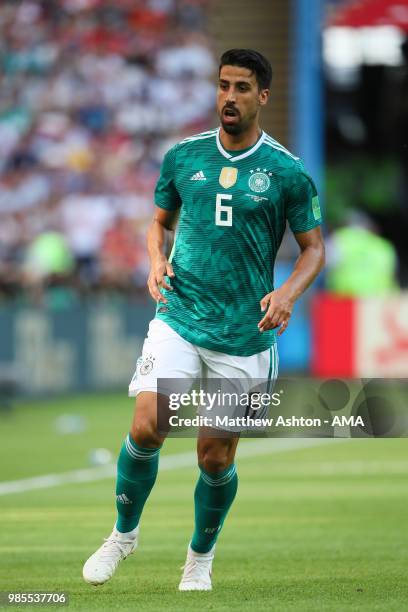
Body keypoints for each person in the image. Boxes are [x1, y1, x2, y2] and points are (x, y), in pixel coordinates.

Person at [82, 48, 325, 591]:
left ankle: (199, 559)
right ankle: (122, 536)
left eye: (241, 88)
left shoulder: (286, 172)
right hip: (180, 315)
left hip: (245, 334)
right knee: (147, 423)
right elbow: (157, 223)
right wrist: (155, 260)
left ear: (263, 95)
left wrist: (286, 293)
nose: (229, 98)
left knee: (214, 457)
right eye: (223, 86)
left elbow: (313, 250)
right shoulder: (184, 157)